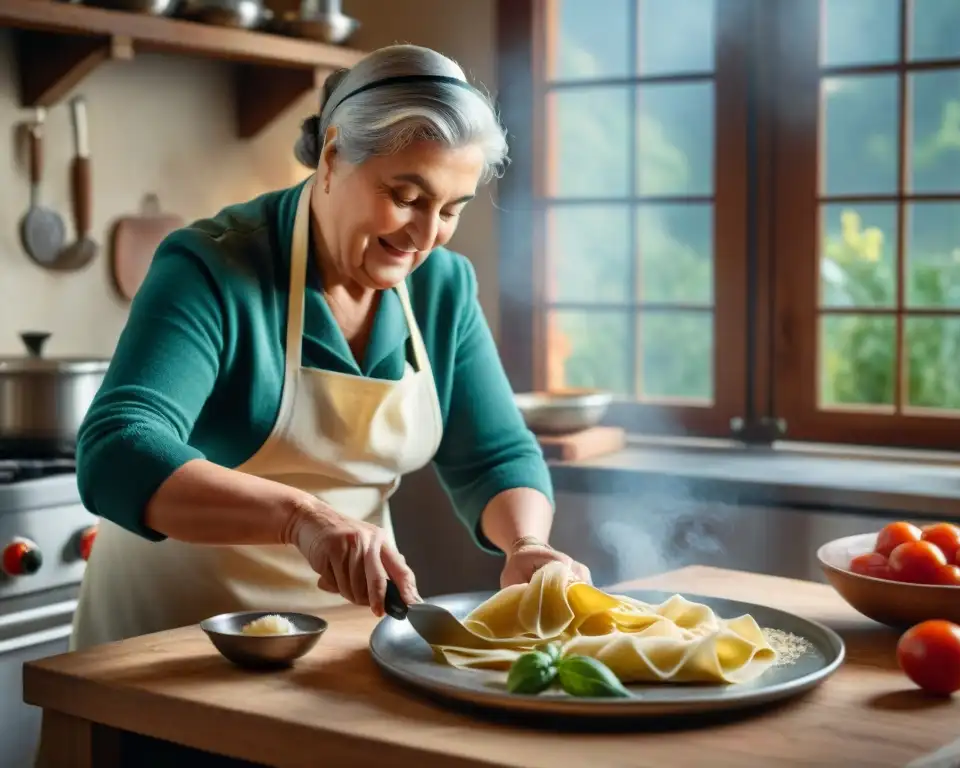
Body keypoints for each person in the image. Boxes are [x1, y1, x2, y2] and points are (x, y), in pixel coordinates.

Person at [70, 44, 592, 651]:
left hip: (340, 644)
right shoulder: (213, 265)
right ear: (334, 155)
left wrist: (527, 544)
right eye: (406, 197)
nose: (425, 237)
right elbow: (116, 451)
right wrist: (301, 517)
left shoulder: (443, 288)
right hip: (170, 641)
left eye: (450, 209)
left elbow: (495, 455)